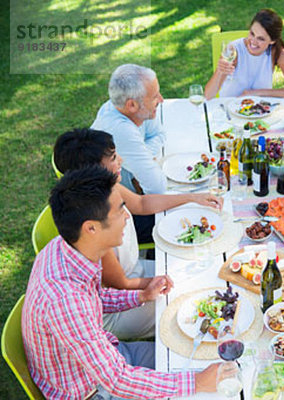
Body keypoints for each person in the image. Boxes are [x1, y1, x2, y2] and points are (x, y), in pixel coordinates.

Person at [22, 167, 221, 399]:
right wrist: (196, 383)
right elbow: (118, 381)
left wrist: (141, 296)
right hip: (92, 391)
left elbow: (92, 298)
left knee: (186, 354)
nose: (128, 216)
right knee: (201, 386)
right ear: (91, 228)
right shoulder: (65, 301)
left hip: (107, 358)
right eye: (120, 210)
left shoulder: (66, 247)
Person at [53, 128, 223, 340]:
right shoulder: (95, 229)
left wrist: (191, 198)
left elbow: (142, 203)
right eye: (114, 158)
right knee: (191, 303)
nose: (120, 161)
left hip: (137, 272)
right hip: (118, 306)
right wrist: (164, 280)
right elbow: (121, 283)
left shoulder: (109, 188)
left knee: (203, 274)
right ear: (92, 171)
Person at [91, 64, 166, 244]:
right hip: (114, 219)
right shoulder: (120, 129)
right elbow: (158, 188)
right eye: (154, 96)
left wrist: (141, 154)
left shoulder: (131, 110)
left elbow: (159, 135)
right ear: (132, 104)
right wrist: (141, 157)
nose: (161, 100)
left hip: (130, 198)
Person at [205, 8, 284, 100]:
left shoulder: (276, 52)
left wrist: (256, 93)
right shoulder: (234, 50)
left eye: (261, 39)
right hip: (230, 112)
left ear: (272, 41)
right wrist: (219, 71)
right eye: (252, 33)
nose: (253, 41)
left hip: (259, 112)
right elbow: (209, 95)